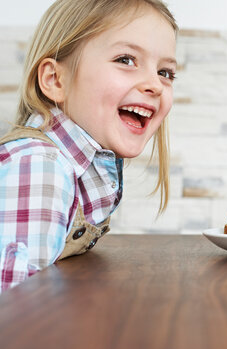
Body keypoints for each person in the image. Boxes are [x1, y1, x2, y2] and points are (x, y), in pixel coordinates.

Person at [0, 0, 179, 292]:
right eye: (126, 59)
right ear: (55, 79)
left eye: (166, 73)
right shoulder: (38, 165)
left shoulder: (78, 163)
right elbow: (16, 309)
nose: (156, 85)